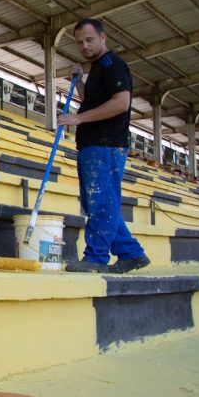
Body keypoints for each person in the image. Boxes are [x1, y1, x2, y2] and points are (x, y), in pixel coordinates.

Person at [56, 18, 150, 274]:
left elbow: (121, 103)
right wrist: (80, 81)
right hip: (93, 144)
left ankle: (96, 258)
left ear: (103, 37)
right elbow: (92, 101)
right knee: (96, 200)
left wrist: (78, 118)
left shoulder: (112, 65)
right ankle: (131, 253)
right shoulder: (97, 68)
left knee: (100, 201)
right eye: (79, 42)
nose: (84, 46)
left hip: (105, 144)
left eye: (89, 40)